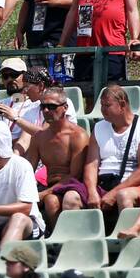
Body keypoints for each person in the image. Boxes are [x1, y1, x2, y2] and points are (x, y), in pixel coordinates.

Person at [83, 84, 140, 215]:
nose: (102, 110)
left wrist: (114, 193)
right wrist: (92, 191)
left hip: (136, 185)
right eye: (101, 105)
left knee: (124, 196)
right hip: (103, 183)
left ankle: (127, 233)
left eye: (107, 105)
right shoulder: (99, 128)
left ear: (122, 105)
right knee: (71, 197)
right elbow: (91, 165)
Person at [25, 86, 91, 224]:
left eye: (52, 106)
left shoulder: (78, 136)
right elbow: (27, 169)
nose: (46, 111)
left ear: (65, 107)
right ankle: (57, 239)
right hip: (50, 187)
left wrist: (43, 193)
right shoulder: (39, 137)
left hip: (74, 186)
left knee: (61, 198)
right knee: (50, 201)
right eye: (43, 107)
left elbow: (75, 175)